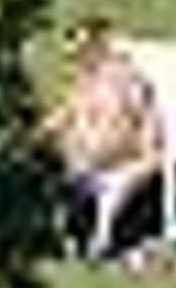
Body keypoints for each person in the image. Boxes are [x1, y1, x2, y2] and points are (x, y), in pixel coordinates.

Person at [47, 19, 161, 180]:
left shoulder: (125, 77)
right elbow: (66, 112)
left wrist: (150, 154)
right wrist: (41, 132)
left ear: (100, 46)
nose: (76, 61)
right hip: (81, 164)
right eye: (73, 56)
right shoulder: (82, 80)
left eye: (82, 51)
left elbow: (147, 116)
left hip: (117, 161)